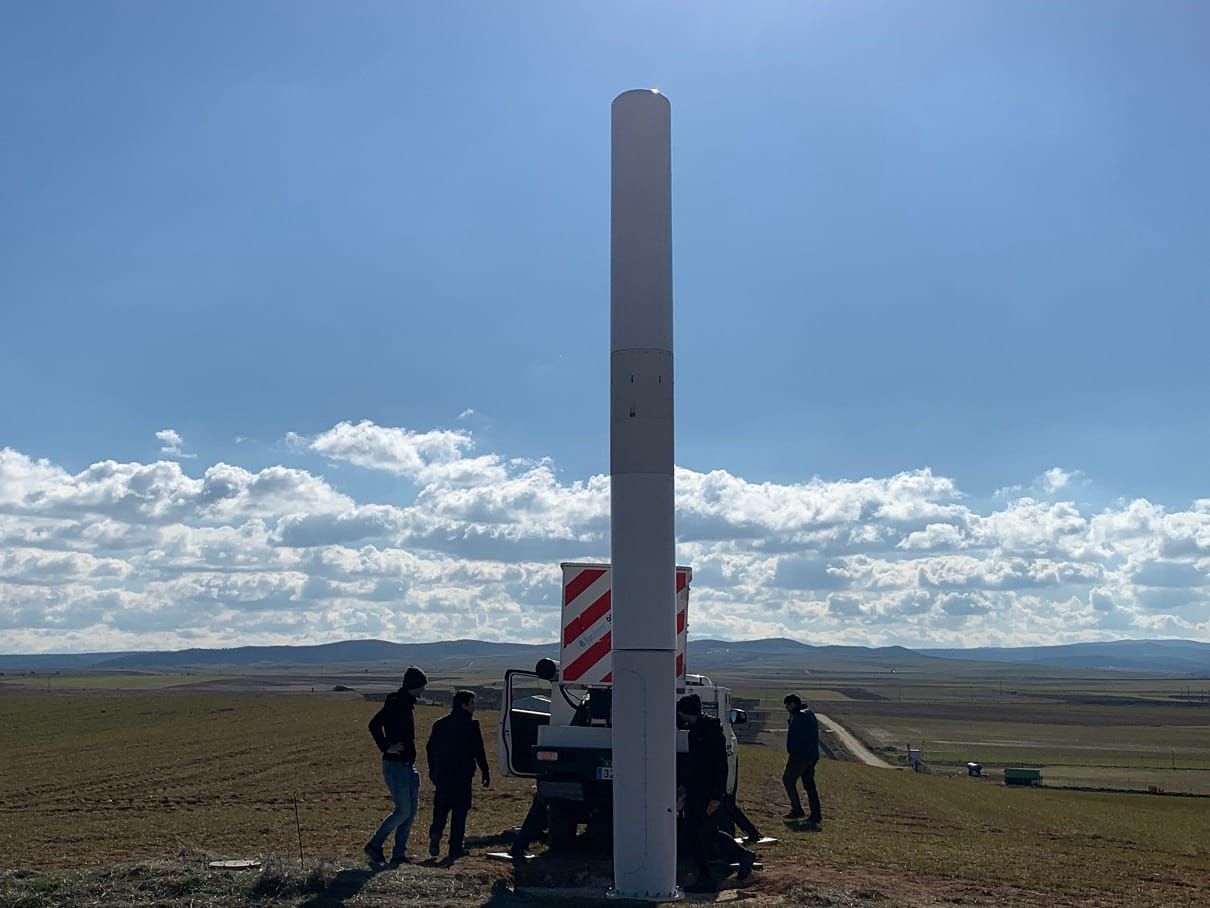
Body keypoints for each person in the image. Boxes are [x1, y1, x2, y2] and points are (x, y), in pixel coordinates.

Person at [676, 695, 756, 892]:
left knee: (699, 832)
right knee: (703, 832)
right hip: (697, 790)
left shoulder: (709, 731)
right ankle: (739, 858)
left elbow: (719, 766)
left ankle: (708, 876)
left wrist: (716, 796)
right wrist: (685, 785)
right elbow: (694, 764)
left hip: (706, 792)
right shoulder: (696, 730)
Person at [364, 665, 427, 867]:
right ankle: (374, 845)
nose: (423, 691)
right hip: (396, 766)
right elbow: (374, 724)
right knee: (402, 812)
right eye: (421, 687)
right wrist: (386, 747)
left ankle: (399, 854)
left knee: (410, 814)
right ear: (413, 686)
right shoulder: (396, 703)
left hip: (408, 766)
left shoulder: (406, 704)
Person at [426, 689, 491, 860]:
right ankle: (455, 847)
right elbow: (479, 751)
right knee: (460, 812)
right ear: (463, 705)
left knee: (440, 808)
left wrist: (433, 770)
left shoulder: (440, 724)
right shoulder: (471, 726)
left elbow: (430, 749)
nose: (474, 707)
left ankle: (436, 833)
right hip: (463, 776)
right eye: (472, 703)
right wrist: (485, 771)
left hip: (443, 775)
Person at [782, 693, 822, 824]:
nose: (787, 709)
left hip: (800, 756)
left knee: (788, 779)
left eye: (787, 706)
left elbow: (797, 738)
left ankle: (797, 809)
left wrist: (794, 753)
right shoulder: (808, 713)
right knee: (809, 784)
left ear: (792, 704)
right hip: (811, 755)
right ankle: (816, 814)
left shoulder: (800, 717)